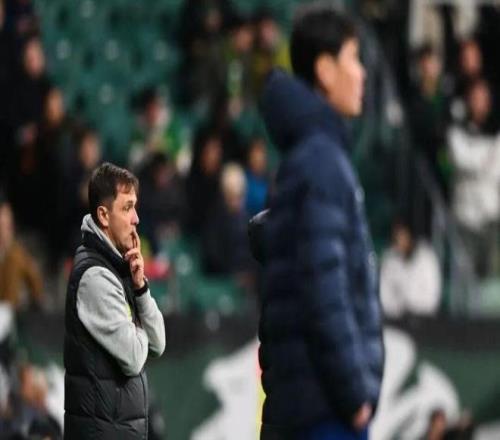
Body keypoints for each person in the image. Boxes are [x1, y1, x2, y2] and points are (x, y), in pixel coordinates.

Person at [253, 4, 384, 439]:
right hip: (327, 407)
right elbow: (324, 288)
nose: (362, 74)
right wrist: (355, 395)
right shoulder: (321, 161)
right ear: (325, 71)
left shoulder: (308, 156)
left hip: (310, 401)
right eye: (353, 58)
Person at [63, 163, 165, 439]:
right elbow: (134, 357)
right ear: (103, 216)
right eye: (127, 207)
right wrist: (139, 329)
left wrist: (140, 288)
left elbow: (158, 343)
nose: (136, 219)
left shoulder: (118, 267)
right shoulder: (95, 276)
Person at [380, 220, 442, 318]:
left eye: (402, 236)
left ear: (410, 235)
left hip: (424, 317)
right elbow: (385, 292)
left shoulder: (426, 257)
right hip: (397, 317)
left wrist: (415, 308)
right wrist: (396, 311)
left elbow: (433, 294)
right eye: (396, 237)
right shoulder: (389, 259)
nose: (400, 240)